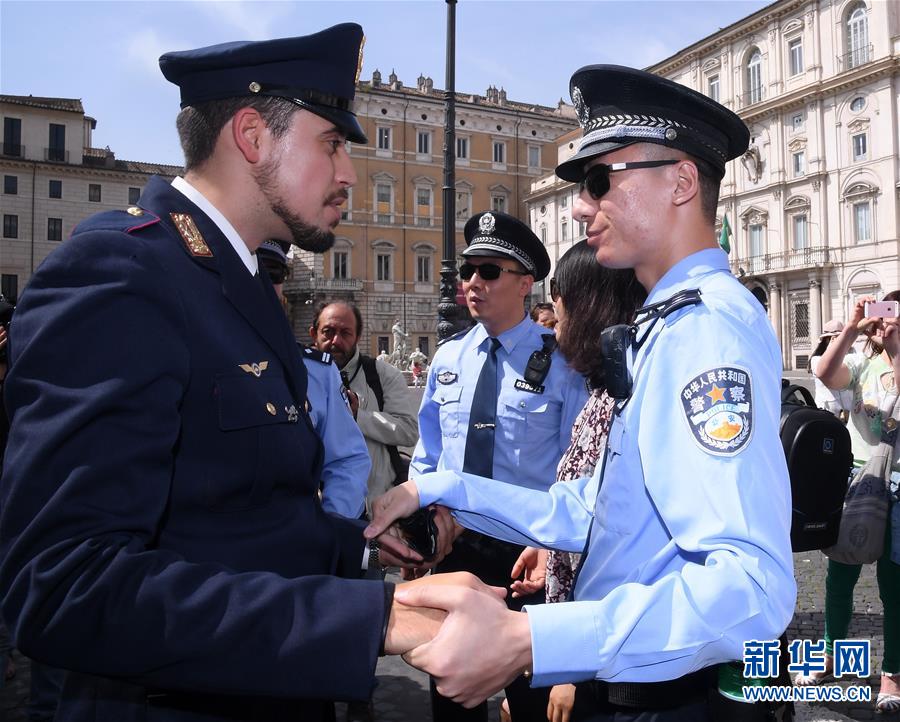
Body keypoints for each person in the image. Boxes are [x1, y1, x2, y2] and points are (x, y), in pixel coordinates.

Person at [0, 26, 462, 722]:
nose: (349, 175)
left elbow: (233, 518)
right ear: (252, 136)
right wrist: (372, 624)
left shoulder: (233, 285)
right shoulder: (121, 276)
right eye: (332, 143)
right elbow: (64, 584)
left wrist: (361, 559)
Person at [368, 64, 796, 721]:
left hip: (671, 699)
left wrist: (529, 637)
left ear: (682, 181)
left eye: (600, 181)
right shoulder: (666, 323)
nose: (579, 206)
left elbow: (751, 590)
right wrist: (436, 488)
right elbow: (582, 513)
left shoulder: (704, 330)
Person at [410, 210, 589, 722]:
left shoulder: (562, 363)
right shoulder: (448, 359)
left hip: (527, 558)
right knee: (451, 695)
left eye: (490, 271)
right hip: (457, 547)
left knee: (532, 702)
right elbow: (427, 453)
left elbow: (578, 468)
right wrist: (421, 527)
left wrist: (551, 552)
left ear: (525, 283)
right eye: (468, 271)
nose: (472, 284)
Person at [509, 241, 645, 722]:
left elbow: (618, 553)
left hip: (606, 666)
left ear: (588, 310)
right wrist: (551, 545)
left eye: (560, 310)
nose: (556, 325)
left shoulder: (621, 403)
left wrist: (571, 669)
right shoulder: (606, 391)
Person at [803, 293, 900, 713]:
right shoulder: (862, 362)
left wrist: (897, 351)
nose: (887, 322)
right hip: (859, 481)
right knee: (839, 579)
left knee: (893, 588)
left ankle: (892, 674)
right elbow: (824, 372)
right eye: (885, 314)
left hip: (898, 485)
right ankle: (829, 656)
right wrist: (852, 327)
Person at [256, 239, 370, 518]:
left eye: (273, 275)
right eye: (248, 268)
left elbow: (347, 462)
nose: (260, 283)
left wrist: (330, 532)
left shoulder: (317, 371)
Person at [309, 301, 419, 504]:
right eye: (328, 332)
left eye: (345, 333)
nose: (335, 341)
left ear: (358, 337)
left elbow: (409, 431)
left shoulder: (383, 375)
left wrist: (360, 416)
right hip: (312, 507)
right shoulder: (296, 375)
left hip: (374, 506)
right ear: (313, 334)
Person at [808, 319, 853, 419]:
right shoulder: (816, 360)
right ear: (826, 340)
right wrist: (832, 350)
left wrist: (846, 347)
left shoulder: (850, 356)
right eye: (835, 338)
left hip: (848, 412)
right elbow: (829, 373)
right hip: (826, 412)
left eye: (841, 338)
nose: (839, 342)